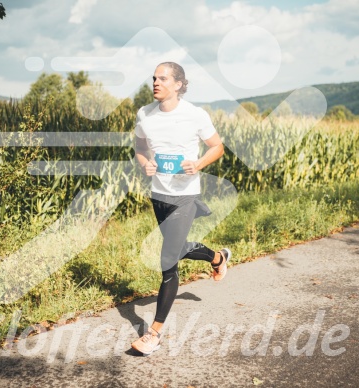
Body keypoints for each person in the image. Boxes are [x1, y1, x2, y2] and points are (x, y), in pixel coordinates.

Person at [131, 62, 231, 356]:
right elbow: (139, 147)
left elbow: (217, 147)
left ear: (178, 84)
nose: (156, 82)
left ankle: (153, 333)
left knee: (167, 260)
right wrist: (145, 163)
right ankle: (218, 257)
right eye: (154, 78)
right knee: (179, 248)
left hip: (185, 196)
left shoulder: (195, 115)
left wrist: (198, 164)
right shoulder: (144, 114)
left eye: (163, 78)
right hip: (158, 196)